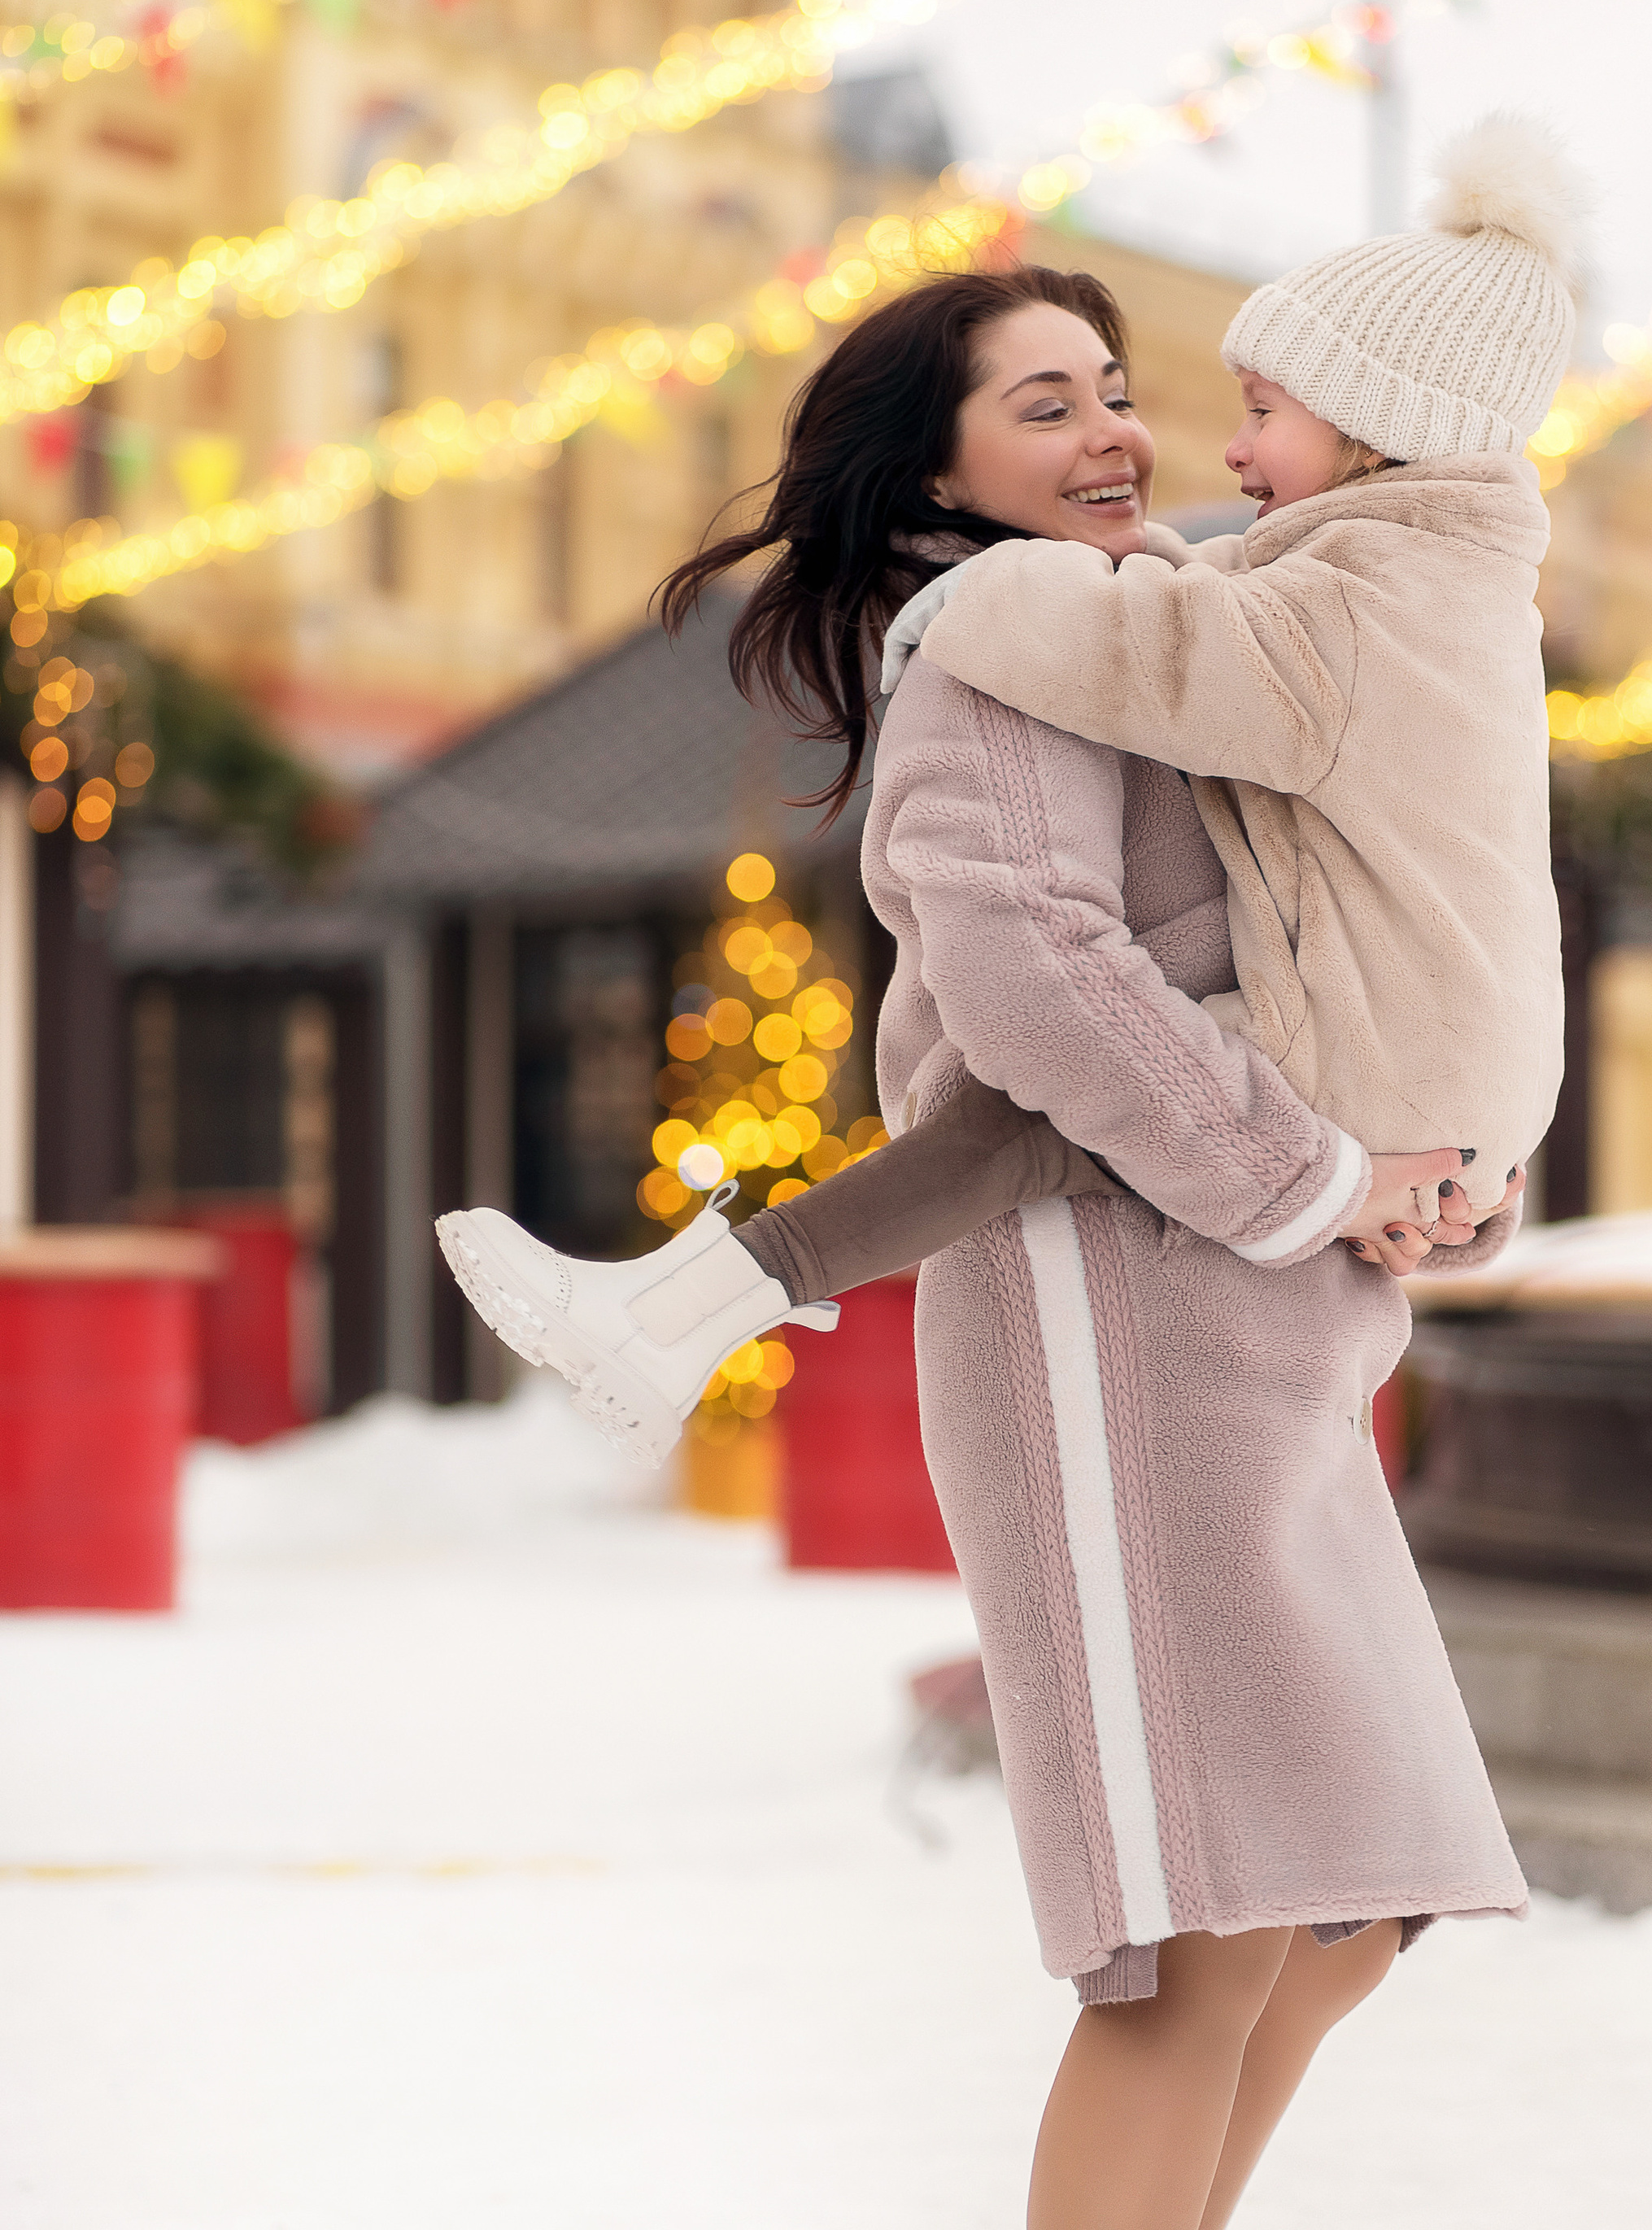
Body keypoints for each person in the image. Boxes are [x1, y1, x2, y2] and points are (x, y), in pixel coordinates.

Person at [440, 213, 1561, 2230]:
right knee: (1197, 1930)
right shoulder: (992, 657)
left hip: (1270, 1321)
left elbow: (1369, 927)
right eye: (1036, 402)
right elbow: (1040, 987)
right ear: (929, 474)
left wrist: (1434, 1164)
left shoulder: (1180, 621)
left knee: (1345, 1905)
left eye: (1113, 383)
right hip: (1110, 1318)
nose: (1110, 430)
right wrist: (1304, 1174)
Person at [438, 113, 1578, 1468]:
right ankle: (680, 1311)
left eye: (1262, 412)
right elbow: (1197, 622)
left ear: (1378, 431)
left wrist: (963, 589)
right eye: (1050, 408)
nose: (1211, 452)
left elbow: (1149, 675)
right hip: (1448, 1086)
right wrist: (1420, 1176)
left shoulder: (1338, 616)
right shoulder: (1429, 592)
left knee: (1021, 1120)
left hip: (1342, 1125)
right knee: (1041, 1111)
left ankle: (683, 1311)